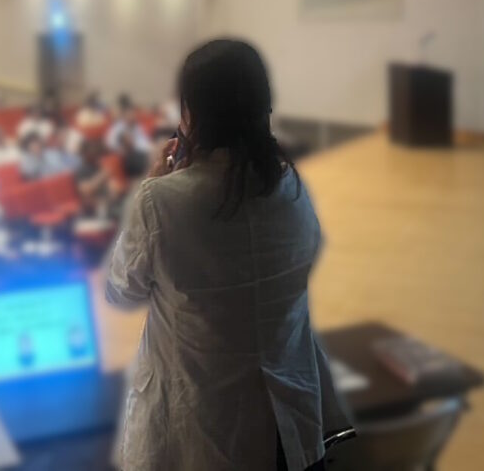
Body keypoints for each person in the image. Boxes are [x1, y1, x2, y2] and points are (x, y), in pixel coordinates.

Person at [106, 39, 350, 471]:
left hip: (204, 434)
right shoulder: (292, 188)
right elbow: (304, 260)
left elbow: (121, 291)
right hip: (288, 428)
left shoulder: (161, 201)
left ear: (192, 114)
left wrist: (156, 184)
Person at [74, 140, 124, 221]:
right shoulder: (82, 170)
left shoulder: (98, 166)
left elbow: (112, 186)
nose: (94, 153)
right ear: (85, 153)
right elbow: (85, 190)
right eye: (91, 151)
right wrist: (101, 177)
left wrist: (113, 188)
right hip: (93, 206)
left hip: (108, 201)